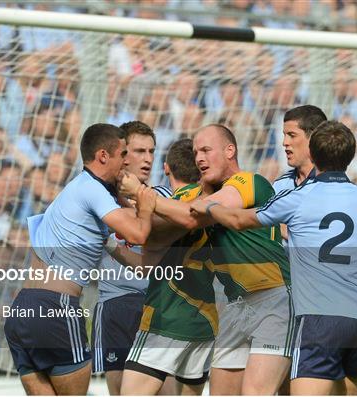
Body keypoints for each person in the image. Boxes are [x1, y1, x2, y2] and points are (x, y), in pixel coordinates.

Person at [190, 120, 357, 395]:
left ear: (313, 155)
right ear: (350, 157)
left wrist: (210, 206)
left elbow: (238, 219)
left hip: (320, 318)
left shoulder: (299, 197)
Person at [119, 124, 292, 395]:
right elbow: (157, 233)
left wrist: (143, 195)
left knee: (259, 392)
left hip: (273, 299)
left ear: (230, 150)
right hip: (235, 307)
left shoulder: (248, 181)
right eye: (196, 151)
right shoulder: (193, 195)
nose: (199, 157)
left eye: (206, 150)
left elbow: (193, 216)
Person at [3, 123, 156, 395]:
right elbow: (139, 233)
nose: (128, 160)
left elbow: (132, 257)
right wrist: (143, 196)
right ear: (102, 156)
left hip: (22, 309)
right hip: (57, 308)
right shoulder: (92, 190)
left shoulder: (74, 192)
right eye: (124, 154)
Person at [116, 138, 216, 395]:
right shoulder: (210, 201)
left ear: (167, 168)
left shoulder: (178, 201)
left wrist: (130, 217)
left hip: (168, 313)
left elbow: (148, 261)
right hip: (204, 317)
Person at [91, 121, 171, 395]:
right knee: (119, 389)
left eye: (151, 151)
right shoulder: (98, 196)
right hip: (116, 304)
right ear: (122, 152)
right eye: (139, 151)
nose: (148, 159)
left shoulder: (162, 197)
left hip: (158, 305)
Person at [273, 105, 328, 243]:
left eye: (292, 135)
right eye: (284, 135)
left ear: (314, 138)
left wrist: (287, 232)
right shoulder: (280, 185)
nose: (284, 143)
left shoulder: (334, 186)